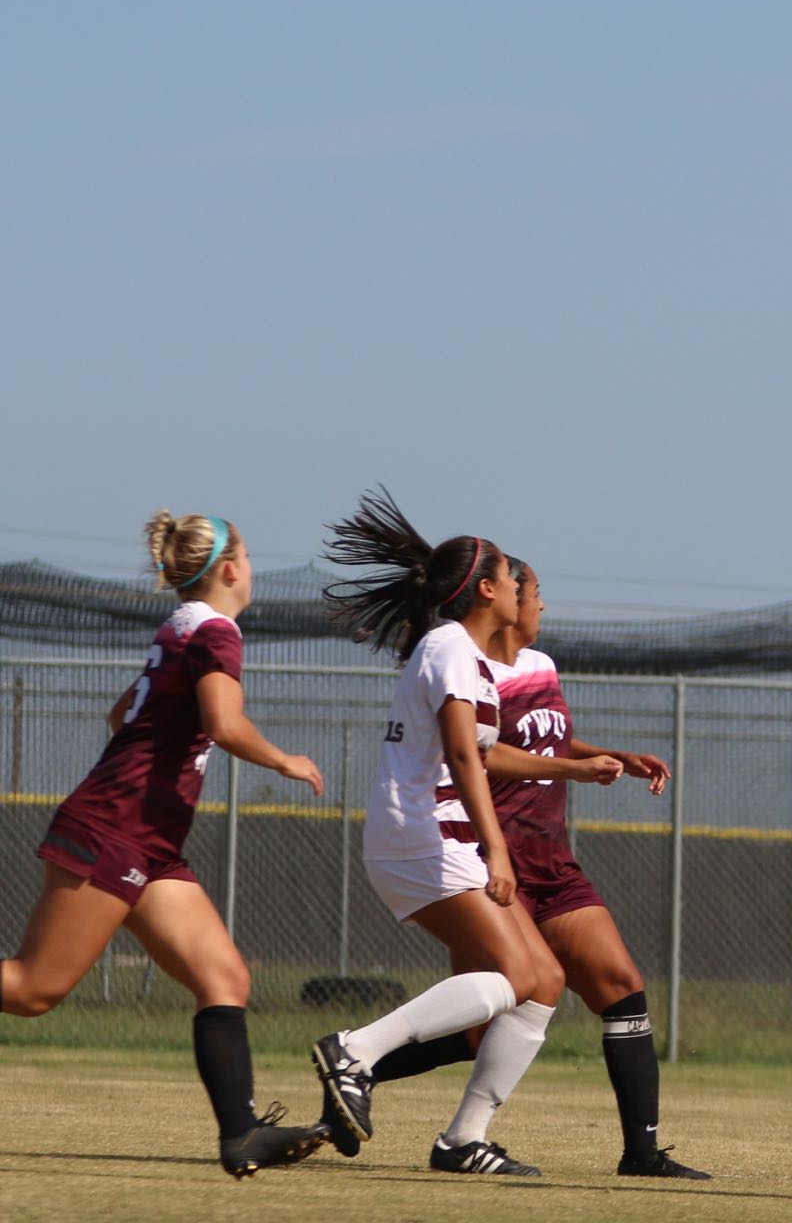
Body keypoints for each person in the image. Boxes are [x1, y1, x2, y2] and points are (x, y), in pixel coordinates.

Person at [3, 513, 329, 1178]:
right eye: (250, 558)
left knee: (224, 978)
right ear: (231, 570)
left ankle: (239, 1135)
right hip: (116, 827)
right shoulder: (215, 630)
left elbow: (125, 713)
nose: (252, 570)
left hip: (146, 839)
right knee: (34, 990)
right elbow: (223, 722)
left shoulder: (178, 627)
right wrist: (284, 760)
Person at [362, 557, 709, 1180]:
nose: (541, 604)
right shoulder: (468, 666)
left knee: (621, 987)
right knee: (481, 1026)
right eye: (534, 590)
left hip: (553, 859)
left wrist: (609, 755)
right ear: (500, 596)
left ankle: (642, 1153)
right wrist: (572, 772)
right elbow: (479, 755)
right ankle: (360, 1071)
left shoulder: (540, 667)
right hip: (492, 857)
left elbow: (546, 742)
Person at [309, 490, 568, 1178]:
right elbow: (460, 756)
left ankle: (463, 1140)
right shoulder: (453, 648)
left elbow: (482, 753)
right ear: (488, 590)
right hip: (422, 836)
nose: (523, 589)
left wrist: (578, 766)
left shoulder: (465, 657)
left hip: (435, 836)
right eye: (515, 579)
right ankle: (355, 1050)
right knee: (513, 976)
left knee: (543, 980)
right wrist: (499, 848)